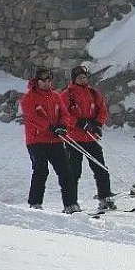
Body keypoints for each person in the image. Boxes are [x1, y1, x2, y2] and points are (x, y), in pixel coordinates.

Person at [20, 68, 81, 214]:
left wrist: (62, 125)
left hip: (55, 140)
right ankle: (35, 203)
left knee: (65, 171)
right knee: (41, 170)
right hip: (36, 140)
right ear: (36, 81)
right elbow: (32, 118)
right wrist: (50, 127)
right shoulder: (28, 98)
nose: (47, 83)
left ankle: (71, 204)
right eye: (43, 81)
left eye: (49, 80)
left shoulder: (55, 96)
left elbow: (64, 113)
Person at [60, 65, 117, 211]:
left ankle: (105, 197)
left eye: (84, 77)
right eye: (79, 77)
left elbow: (102, 110)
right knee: (74, 172)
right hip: (74, 138)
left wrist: (97, 124)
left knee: (101, 168)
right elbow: (63, 115)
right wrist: (79, 123)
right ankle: (71, 203)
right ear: (74, 79)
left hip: (91, 137)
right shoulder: (67, 95)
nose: (83, 80)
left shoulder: (94, 93)